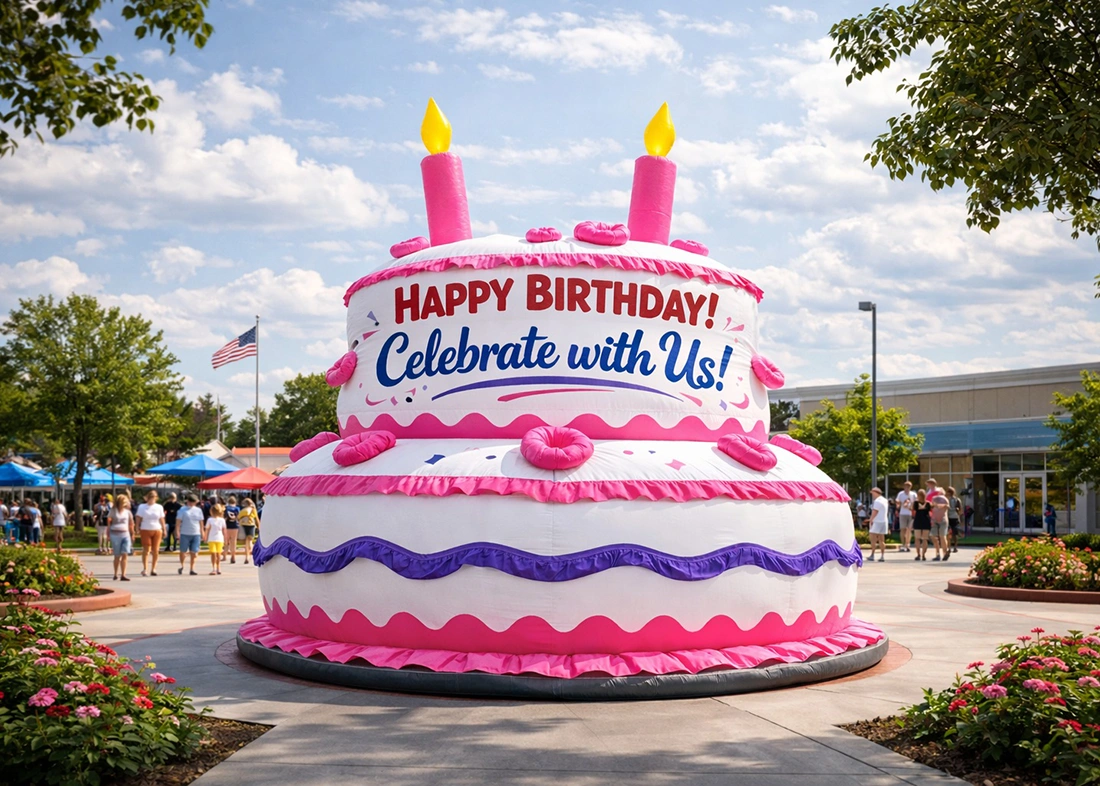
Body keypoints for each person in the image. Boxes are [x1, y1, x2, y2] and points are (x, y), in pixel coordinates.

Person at [134, 490, 166, 576]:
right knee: (146, 550)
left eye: (154, 498)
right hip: (145, 529)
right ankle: (145, 568)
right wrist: (137, 527)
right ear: (147, 498)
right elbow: (138, 517)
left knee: (156, 550)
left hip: (157, 529)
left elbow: (161, 518)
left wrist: (164, 529)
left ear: (156, 498)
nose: (152, 499)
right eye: (150, 497)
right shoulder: (142, 507)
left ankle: (153, 569)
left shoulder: (159, 507)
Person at [176, 494, 205, 576]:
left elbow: (201, 522)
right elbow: (178, 522)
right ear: (188, 501)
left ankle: (192, 568)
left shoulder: (198, 510)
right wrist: (177, 533)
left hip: (196, 533)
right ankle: (182, 566)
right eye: (191, 502)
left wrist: (202, 532)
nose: (192, 504)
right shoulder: (182, 510)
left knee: (194, 552)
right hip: (185, 533)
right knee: (183, 552)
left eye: (194, 502)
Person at [108, 494, 134, 581]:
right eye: (125, 502)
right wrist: (108, 534)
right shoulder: (113, 511)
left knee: (125, 554)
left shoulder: (128, 512)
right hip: (115, 534)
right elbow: (109, 523)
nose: (126, 503)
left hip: (125, 534)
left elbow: (131, 523)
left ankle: (123, 574)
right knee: (117, 555)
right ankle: (115, 574)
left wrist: (132, 533)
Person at [926, 480, 950, 562]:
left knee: (942, 536)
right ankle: (937, 554)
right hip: (934, 519)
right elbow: (931, 505)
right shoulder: (934, 498)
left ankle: (945, 553)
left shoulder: (945, 499)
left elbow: (947, 506)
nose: (941, 492)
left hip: (943, 520)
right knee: (933, 536)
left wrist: (939, 506)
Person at [865, 487, 888, 562]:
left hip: (877, 522)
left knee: (873, 539)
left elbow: (875, 511)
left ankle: (872, 554)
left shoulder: (877, 501)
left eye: (872, 493)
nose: (872, 495)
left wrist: (871, 520)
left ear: (876, 493)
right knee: (882, 539)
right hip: (884, 521)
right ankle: (882, 556)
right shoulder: (885, 500)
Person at [203, 503, 227, 575]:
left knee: (218, 554)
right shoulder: (210, 520)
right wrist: (205, 537)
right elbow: (207, 529)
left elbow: (224, 530)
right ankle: (214, 568)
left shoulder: (222, 520)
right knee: (213, 553)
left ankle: (218, 567)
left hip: (219, 538)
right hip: (211, 538)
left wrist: (225, 538)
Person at [912, 488, 932, 561]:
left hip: (918, 521)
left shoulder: (916, 503)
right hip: (925, 521)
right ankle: (923, 555)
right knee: (924, 539)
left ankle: (919, 554)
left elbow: (913, 509)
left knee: (918, 539)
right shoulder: (928, 503)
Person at [895, 481, 915, 553]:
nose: (907, 488)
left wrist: (911, 507)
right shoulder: (901, 494)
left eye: (909, 486)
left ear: (911, 487)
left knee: (909, 529)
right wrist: (899, 503)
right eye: (906, 486)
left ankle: (907, 544)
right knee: (903, 529)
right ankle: (903, 544)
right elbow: (897, 501)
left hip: (910, 513)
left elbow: (916, 502)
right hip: (903, 513)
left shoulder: (913, 494)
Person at [238, 497, 259, 565]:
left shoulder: (243, 510)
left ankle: (247, 557)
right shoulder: (253, 510)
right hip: (251, 525)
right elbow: (256, 518)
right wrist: (259, 526)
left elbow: (238, 517)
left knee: (247, 542)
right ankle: (252, 554)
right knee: (249, 541)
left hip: (244, 525)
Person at [224, 495, 241, 564]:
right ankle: (233, 556)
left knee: (226, 541)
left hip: (227, 525)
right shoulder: (237, 508)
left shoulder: (226, 508)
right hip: (235, 525)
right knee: (233, 541)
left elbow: (225, 517)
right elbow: (238, 517)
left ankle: (224, 556)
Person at [946, 486, 963, 552]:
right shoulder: (957, 500)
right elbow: (960, 510)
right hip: (955, 517)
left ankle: (950, 548)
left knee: (949, 533)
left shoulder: (948, 499)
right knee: (954, 534)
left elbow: (960, 510)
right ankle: (954, 547)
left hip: (949, 517)